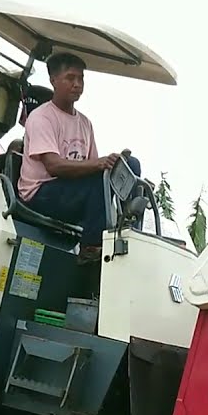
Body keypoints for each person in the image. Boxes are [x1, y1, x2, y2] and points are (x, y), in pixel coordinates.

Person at [17, 52, 143, 262]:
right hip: (41, 193)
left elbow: (93, 165)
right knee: (98, 180)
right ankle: (91, 247)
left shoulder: (85, 123)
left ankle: (130, 233)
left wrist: (114, 165)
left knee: (130, 165)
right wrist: (101, 164)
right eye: (70, 78)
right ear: (53, 80)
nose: (77, 84)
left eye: (81, 79)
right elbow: (53, 166)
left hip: (71, 190)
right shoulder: (41, 117)